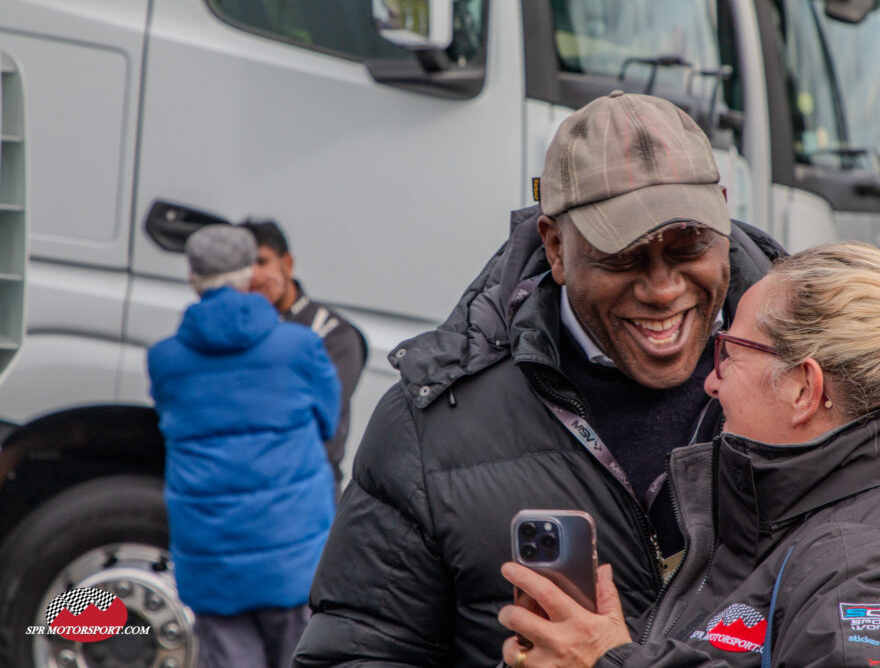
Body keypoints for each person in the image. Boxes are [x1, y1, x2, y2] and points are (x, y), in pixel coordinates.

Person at [293, 92, 787, 667]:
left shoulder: (828, 386)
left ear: (723, 214)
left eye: (689, 245)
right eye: (624, 256)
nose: (662, 288)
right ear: (555, 246)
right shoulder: (428, 425)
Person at [498, 242, 880, 668]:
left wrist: (608, 662)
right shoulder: (813, 523)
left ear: (804, 387)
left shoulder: (862, 570)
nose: (710, 381)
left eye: (729, 352)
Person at [147, 224, 340, 668]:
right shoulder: (301, 346)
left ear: (192, 277)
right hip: (293, 548)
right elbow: (328, 423)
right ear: (250, 274)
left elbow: (167, 420)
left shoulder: (164, 359)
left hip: (211, 552)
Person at [240, 218, 368, 484]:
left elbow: (312, 421)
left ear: (287, 264)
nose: (254, 275)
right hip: (246, 486)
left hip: (308, 492)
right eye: (244, 266)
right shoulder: (233, 327)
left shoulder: (334, 333)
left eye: (261, 262)